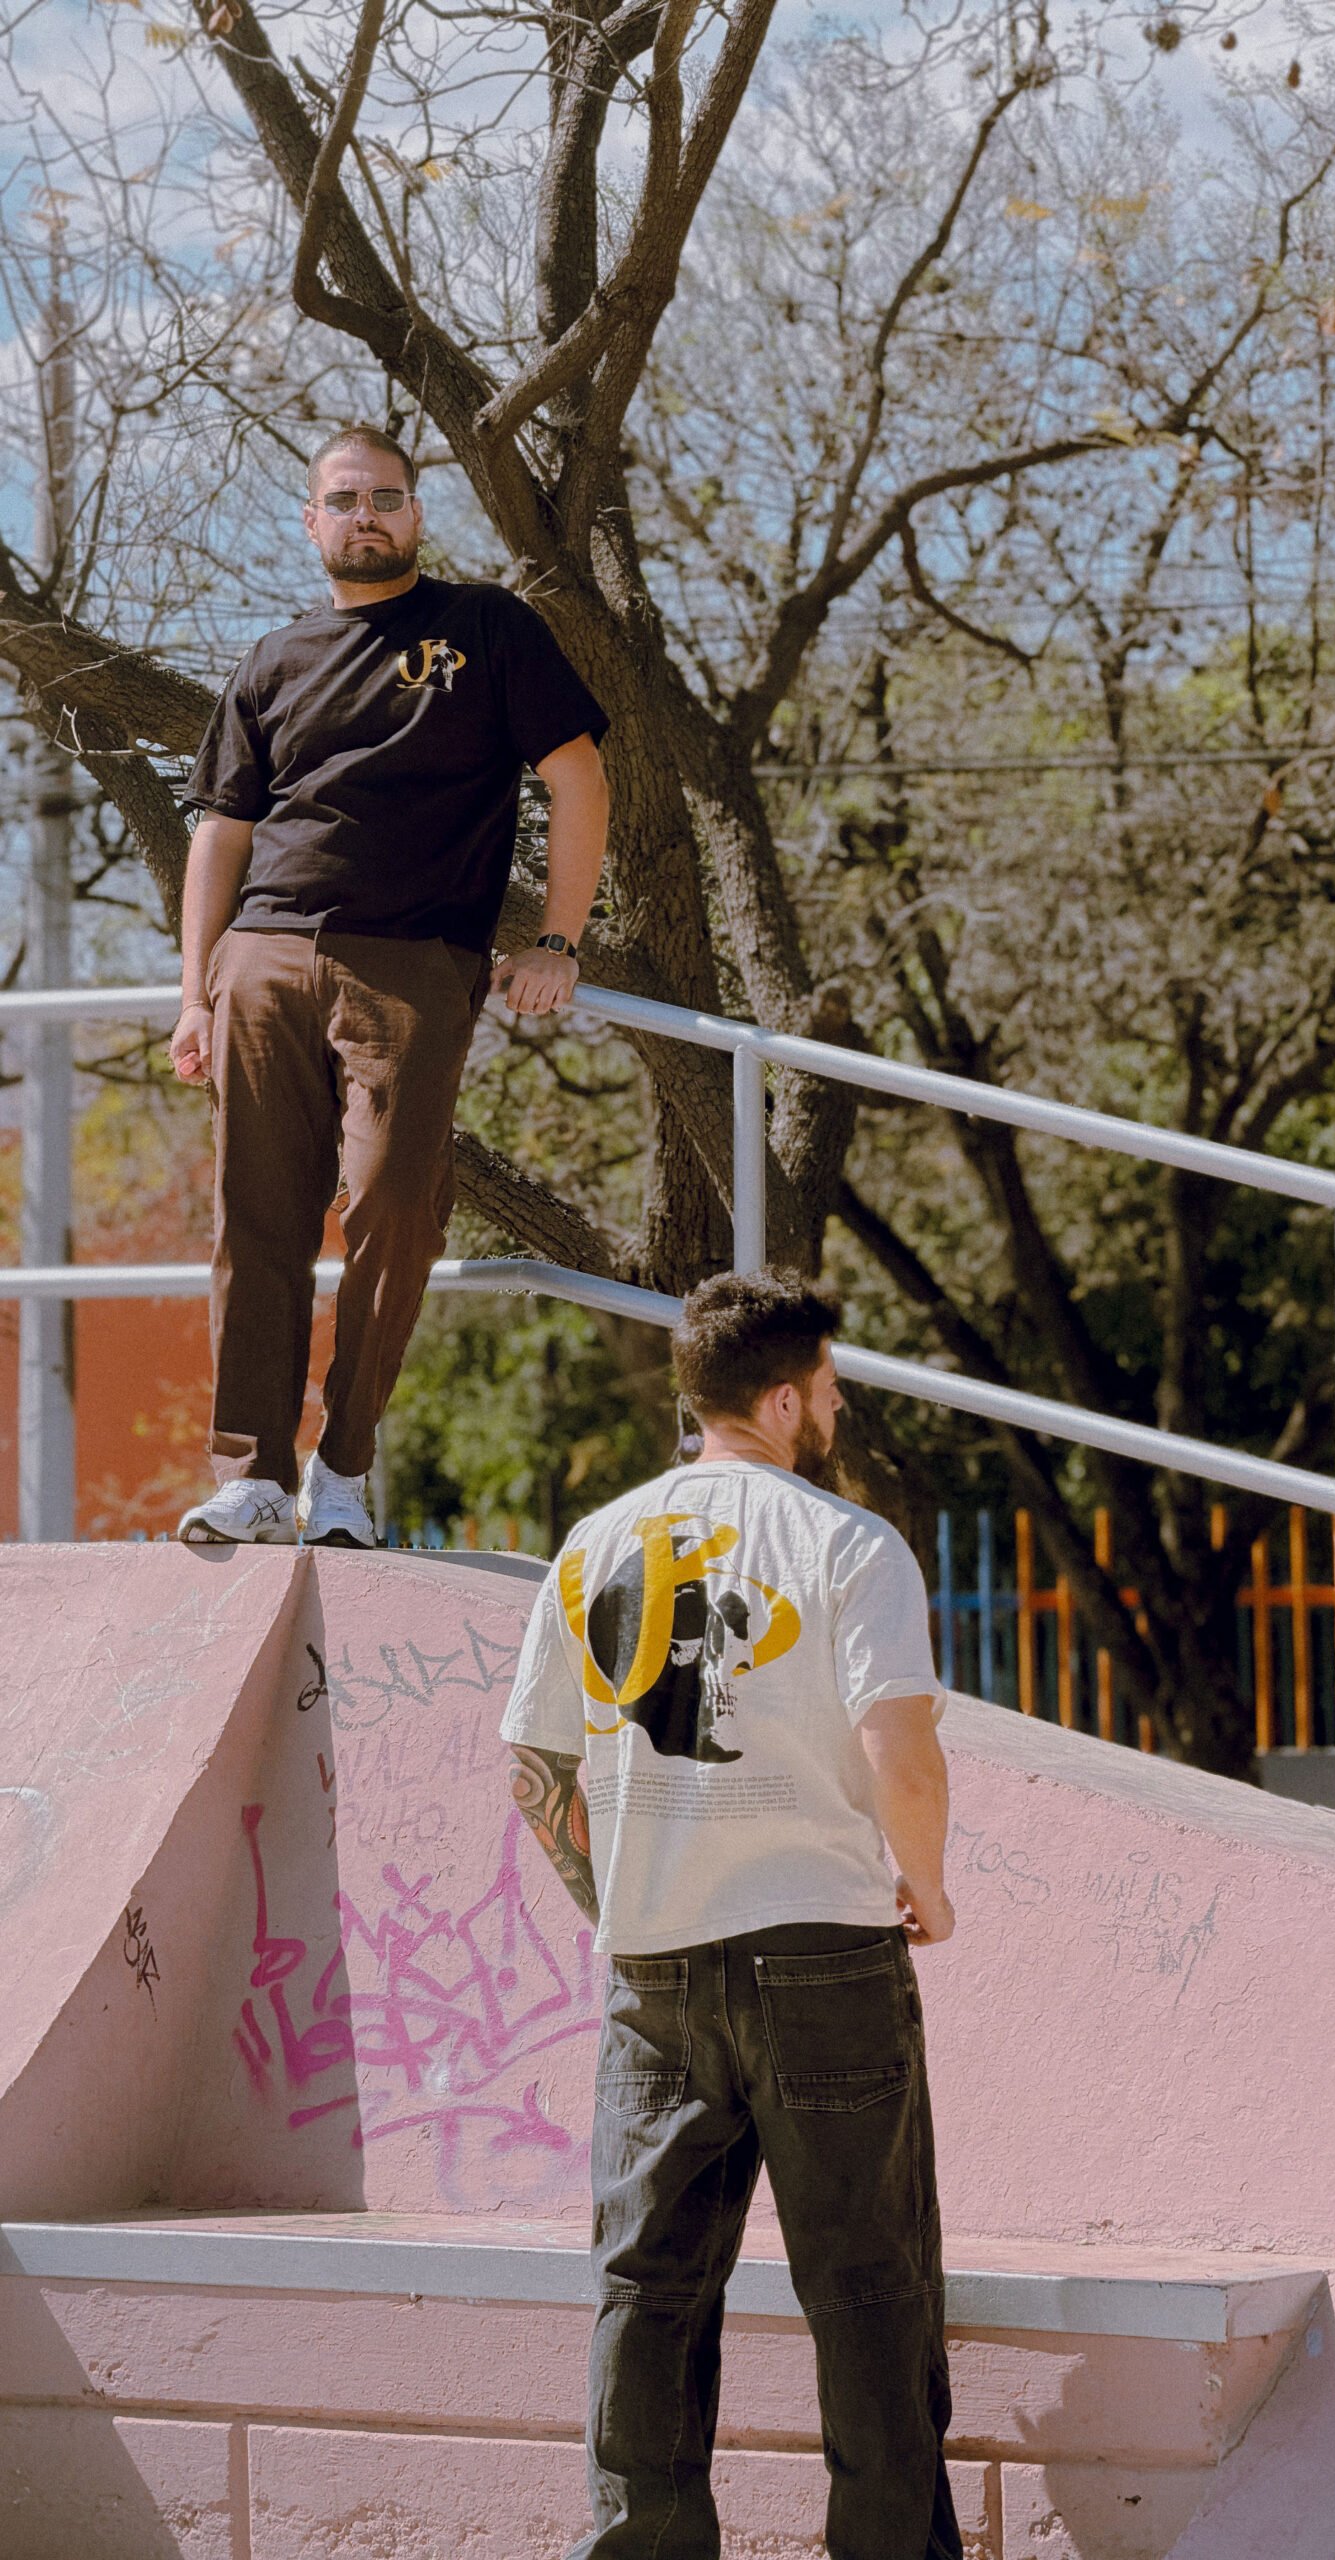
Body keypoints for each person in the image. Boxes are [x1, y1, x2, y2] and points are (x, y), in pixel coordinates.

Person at [503, 1269, 962, 2560]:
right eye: (830, 1385)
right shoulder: (849, 1545)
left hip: (655, 1968)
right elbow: (902, 1752)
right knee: (867, 2286)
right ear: (784, 1399)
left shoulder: (593, 1545)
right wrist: (927, 1885)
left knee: (647, 2292)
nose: (838, 1405)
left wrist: (620, 1897)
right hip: (826, 1953)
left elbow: (533, 1766)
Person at [168, 422, 609, 1547]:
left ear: (416, 514)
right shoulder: (272, 661)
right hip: (264, 956)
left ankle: (344, 1470)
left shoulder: (486, 628)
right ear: (311, 521)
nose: (365, 515)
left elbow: (579, 778)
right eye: (344, 499)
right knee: (257, 1221)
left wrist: (558, 940)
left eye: (386, 498)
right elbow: (221, 833)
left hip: (416, 959)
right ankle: (250, 1477)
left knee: (397, 1205)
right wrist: (195, 992)